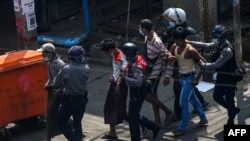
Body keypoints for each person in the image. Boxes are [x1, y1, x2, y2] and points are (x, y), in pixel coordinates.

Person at [161, 8, 209, 121]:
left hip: (184, 64)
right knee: (187, 86)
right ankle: (202, 103)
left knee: (178, 88)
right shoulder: (176, 30)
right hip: (179, 62)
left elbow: (193, 51)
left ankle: (178, 114)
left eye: (171, 20)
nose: (169, 22)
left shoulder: (186, 32)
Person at [187, 24, 240, 125]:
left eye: (216, 37)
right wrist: (190, 42)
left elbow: (217, 64)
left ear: (222, 37)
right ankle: (232, 110)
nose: (214, 39)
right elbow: (206, 45)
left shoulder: (227, 50)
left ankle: (231, 119)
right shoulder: (218, 44)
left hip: (230, 78)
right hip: (221, 76)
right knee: (217, 97)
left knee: (229, 99)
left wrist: (203, 64)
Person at [169, 27, 208, 137]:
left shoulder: (191, 50)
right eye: (175, 40)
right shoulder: (174, 46)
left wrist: (197, 78)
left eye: (178, 40)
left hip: (190, 79)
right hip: (181, 77)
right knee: (194, 100)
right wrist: (170, 58)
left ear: (183, 39)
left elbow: (204, 64)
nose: (176, 42)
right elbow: (169, 55)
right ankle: (203, 119)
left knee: (183, 103)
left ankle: (182, 128)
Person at [46, 46, 89, 141]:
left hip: (69, 99)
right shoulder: (86, 68)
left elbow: (55, 83)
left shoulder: (66, 69)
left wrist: (50, 86)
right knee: (77, 122)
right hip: (82, 99)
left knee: (61, 121)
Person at [138, 18, 175, 127]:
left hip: (154, 74)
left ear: (145, 29)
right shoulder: (147, 37)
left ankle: (168, 112)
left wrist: (168, 75)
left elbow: (168, 57)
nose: (139, 29)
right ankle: (157, 121)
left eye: (141, 27)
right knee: (154, 96)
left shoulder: (157, 43)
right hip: (146, 71)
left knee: (147, 96)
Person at [120, 42, 161, 141]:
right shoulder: (138, 57)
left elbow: (138, 82)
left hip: (137, 92)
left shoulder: (136, 66)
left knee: (132, 119)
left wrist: (125, 78)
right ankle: (153, 126)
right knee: (134, 115)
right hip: (138, 91)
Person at [98, 38, 128, 139]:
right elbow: (116, 69)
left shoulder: (122, 57)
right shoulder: (113, 55)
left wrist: (118, 84)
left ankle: (142, 123)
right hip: (114, 83)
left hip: (120, 85)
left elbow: (123, 72)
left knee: (120, 110)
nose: (106, 54)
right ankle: (112, 132)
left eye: (106, 51)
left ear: (110, 50)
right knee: (109, 107)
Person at [37, 43, 66, 141]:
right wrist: (48, 83)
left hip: (58, 90)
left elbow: (66, 79)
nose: (43, 55)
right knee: (51, 111)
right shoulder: (48, 62)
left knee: (50, 114)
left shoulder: (60, 64)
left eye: (44, 53)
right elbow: (51, 77)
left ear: (49, 53)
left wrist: (60, 89)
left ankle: (48, 137)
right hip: (52, 88)